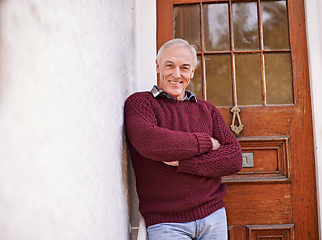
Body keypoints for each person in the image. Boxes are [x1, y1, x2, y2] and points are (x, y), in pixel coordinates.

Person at [124, 38, 243, 240]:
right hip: (167, 224)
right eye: (169, 65)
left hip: (213, 217)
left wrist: (184, 162)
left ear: (192, 72)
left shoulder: (207, 110)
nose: (176, 74)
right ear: (158, 66)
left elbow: (233, 157)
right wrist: (206, 143)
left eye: (184, 67)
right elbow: (151, 142)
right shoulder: (140, 103)